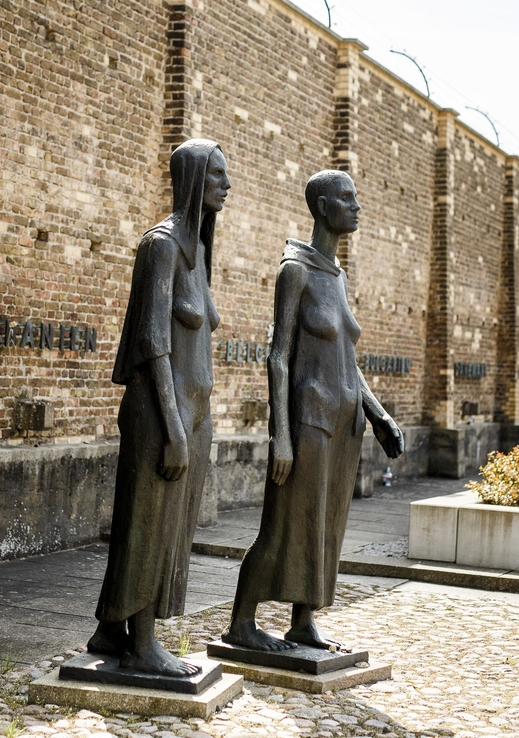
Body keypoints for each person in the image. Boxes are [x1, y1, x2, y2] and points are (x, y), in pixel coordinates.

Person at [223, 169, 403, 652]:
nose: (356, 206)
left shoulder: (337, 276)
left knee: (326, 526)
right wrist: (280, 434)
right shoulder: (295, 270)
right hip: (308, 421)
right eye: (347, 198)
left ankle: (303, 621)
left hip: (346, 427)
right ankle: (241, 622)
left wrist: (378, 414)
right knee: (283, 524)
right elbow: (278, 354)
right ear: (323, 208)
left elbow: (347, 357)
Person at [89, 139, 230, 676]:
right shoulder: (161, 245)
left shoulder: (196, 251)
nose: (226, 185)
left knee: (169, 528)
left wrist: (194, 421)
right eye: (216, 175)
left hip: (191, 414)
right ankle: (142, 646)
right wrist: (173, 427)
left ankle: (110, 631)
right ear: (194, 179)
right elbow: (152, 343)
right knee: (148, 527)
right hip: (159, 413)